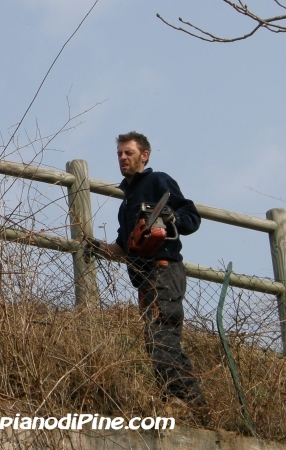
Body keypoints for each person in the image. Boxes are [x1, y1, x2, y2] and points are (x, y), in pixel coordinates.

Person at [86, 131, 207, 417]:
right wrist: (98, 247)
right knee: (155, 340)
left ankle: (192, 403)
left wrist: (169, 219)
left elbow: (192, 217)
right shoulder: (125, 204)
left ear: (144, 155)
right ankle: (176, 403)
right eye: (119, 154)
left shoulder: (157, 181)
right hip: (144, 281)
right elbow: (123, 247)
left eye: (128, 152)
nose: (122, 158)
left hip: (164, 270)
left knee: (162, 335)